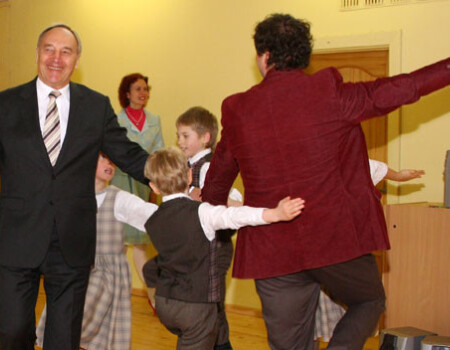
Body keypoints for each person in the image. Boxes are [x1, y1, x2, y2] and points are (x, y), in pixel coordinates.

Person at [201, 13, 450, 350]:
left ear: (264, 56)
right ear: (304, 56)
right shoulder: (331, 92)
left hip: (271, 249)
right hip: (335, 240)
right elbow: (404, 87)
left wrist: (208, 218)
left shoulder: (238, 109)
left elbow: (216, 184)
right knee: (369, 301)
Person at [0, 24, 149, 350]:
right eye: (49, 49)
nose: (56, 58)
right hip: (17, 237)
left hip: (72, 240)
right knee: (11, 330)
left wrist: (176, 178)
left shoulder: (95, 106)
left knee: (63, 339)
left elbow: (129, 155)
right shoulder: (5, 105)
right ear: (37, 54)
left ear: (77, 59)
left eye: (66, 51)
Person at [0, 154, 158, 349]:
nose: (109, 163)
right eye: (102, 158)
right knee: (69, 327)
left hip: (106, 276)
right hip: (75, 270)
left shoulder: (119, 199)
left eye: (112, 160)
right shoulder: (68, 193)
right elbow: (34, 203)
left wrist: (180, 209)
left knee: (83, 329)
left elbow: (152, 215)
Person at [142, 146, 305, 350]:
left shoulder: (153, 218)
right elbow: (234, 216)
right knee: (199, 334)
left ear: (154, 187)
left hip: (165, 304)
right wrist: (275, 214)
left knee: (202, 338)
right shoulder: (201, 213)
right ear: (190, 175)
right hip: (196, 305)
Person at [314, 159, 425, 347]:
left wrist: (398, 175)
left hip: (335, 255)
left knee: (348, 310)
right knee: (312, 319)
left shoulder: (343, 160)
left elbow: (370, 166)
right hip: (313, 256)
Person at [176, 106, 241, 350]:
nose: (180, 141)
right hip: (196, 249)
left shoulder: (209, 166)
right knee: (200, 309)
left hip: (214, 248)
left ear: (205, 137)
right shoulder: (186, 166)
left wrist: (200, 197)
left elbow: (235, 201)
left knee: (211, 309)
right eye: (178, 135)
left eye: (186, 136)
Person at [111, 73, 164, 308]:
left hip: (144, 186)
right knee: (117, 246)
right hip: (120, 186)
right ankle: (110, 297)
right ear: (127, 93)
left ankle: (155, 299)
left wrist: (156, 187)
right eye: (138, 89)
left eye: (146, 89)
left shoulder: (154, 120)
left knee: (141, 245)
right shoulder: (115, 120)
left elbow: (159, 153)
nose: (143, 93)